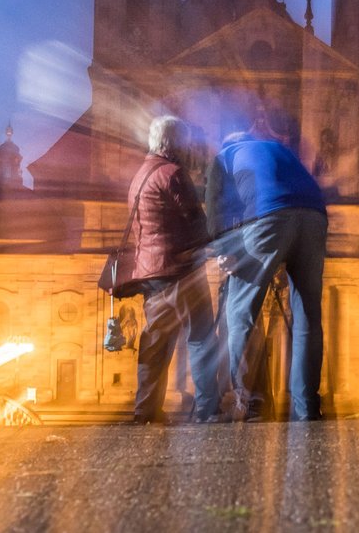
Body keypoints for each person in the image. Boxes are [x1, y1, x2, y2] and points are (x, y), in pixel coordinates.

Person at [206, 122, 329, 421]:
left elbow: (213, 208)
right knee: (308, 314)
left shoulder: (224, 156)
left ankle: (248, 403)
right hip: (315, 217)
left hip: (269, 216)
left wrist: (224, 251)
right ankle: (307, 406)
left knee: (239, 312)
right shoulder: (278, 149)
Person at [120, 115, 225, 424]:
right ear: (175, 143)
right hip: (179, 270)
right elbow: (195, 219)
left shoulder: (141, 174)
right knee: (202, 337)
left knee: (155, 342)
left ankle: (146, 410)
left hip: (150, 273)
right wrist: (216, 241)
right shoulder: (172, 173)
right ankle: (208, 409)